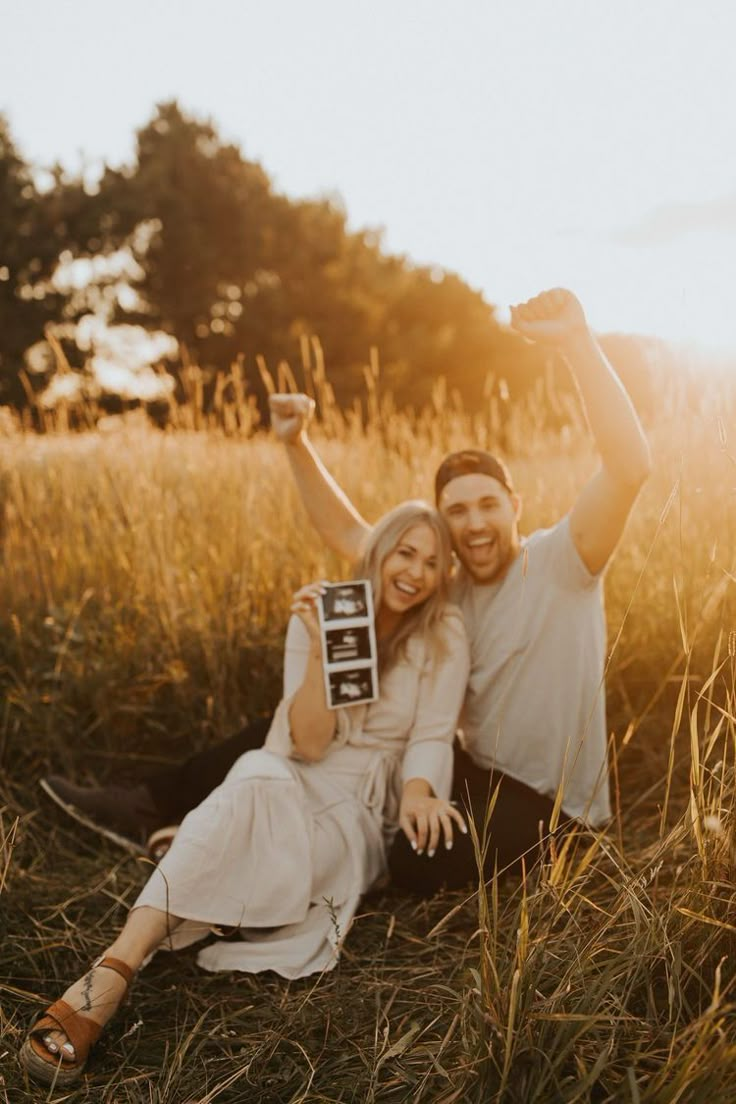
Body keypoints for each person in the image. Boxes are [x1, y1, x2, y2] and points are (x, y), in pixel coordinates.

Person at [43, 287, 651, 891]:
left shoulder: (563, 561)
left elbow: (629, 466)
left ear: (514, 505)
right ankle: (155, 805)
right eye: (456, 512)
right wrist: (296, 442)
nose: (474, 524)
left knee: (410, 860)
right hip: (467, 774)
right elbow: (349, 531)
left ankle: (249, 846)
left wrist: (576, 341)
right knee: (304, 722)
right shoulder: (442, 584)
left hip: (558, 813)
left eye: (487, 505)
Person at [21, 501, 469, 1087]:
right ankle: (113, 969)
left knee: (256, 829)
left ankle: (197, 842)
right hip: (300, 769)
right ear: (379, 551)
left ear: (443, 575)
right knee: (256, 771)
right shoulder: (326, 609)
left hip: (357, 806)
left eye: (433, 562)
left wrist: (417, 792)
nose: (415, 571)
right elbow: (307, 744)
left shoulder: (443, 634)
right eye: (405, 552)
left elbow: (434, 732)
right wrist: (316, 652)